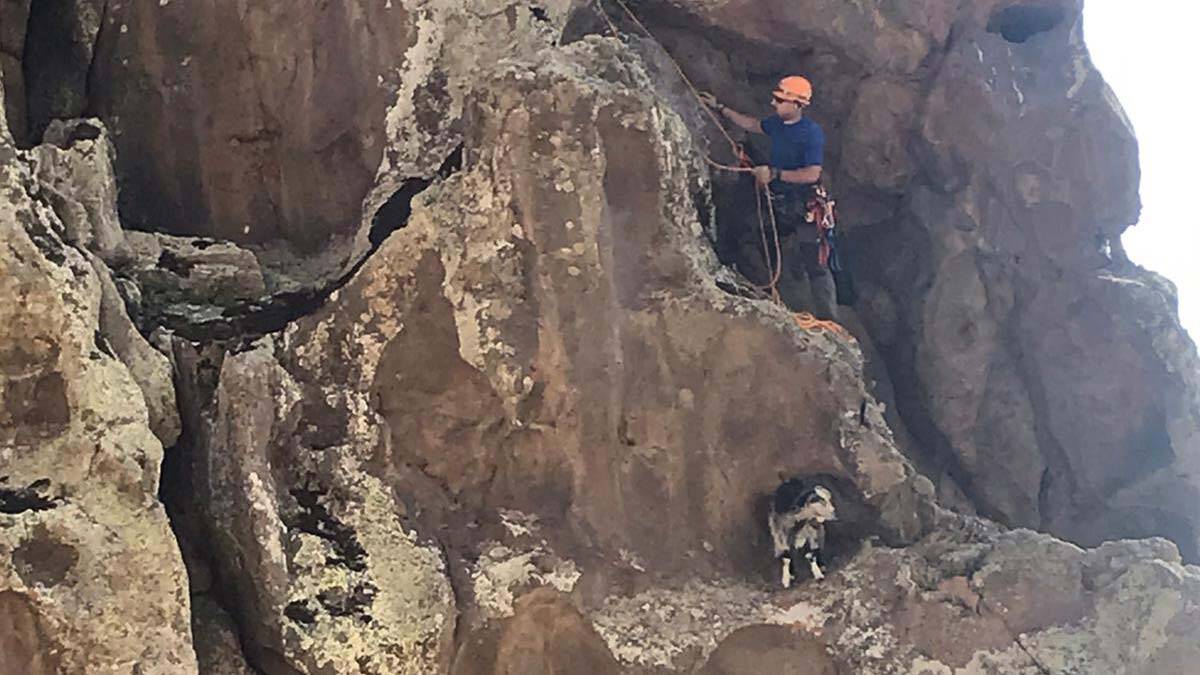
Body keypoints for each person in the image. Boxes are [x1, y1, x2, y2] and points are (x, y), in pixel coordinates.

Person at [699, 76, 838, 321]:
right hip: (781, 201)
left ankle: (830, 322)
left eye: (781, 100)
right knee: (745, 233)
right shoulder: (777, 124)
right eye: (775, 98)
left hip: (805, 205)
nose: (774, 103)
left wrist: (775, 173)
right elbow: (754, 125)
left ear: (797, 105)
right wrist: (720, 108)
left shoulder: (811, 133)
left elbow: (812, 173)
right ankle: (765, 295)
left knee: (816, 266)